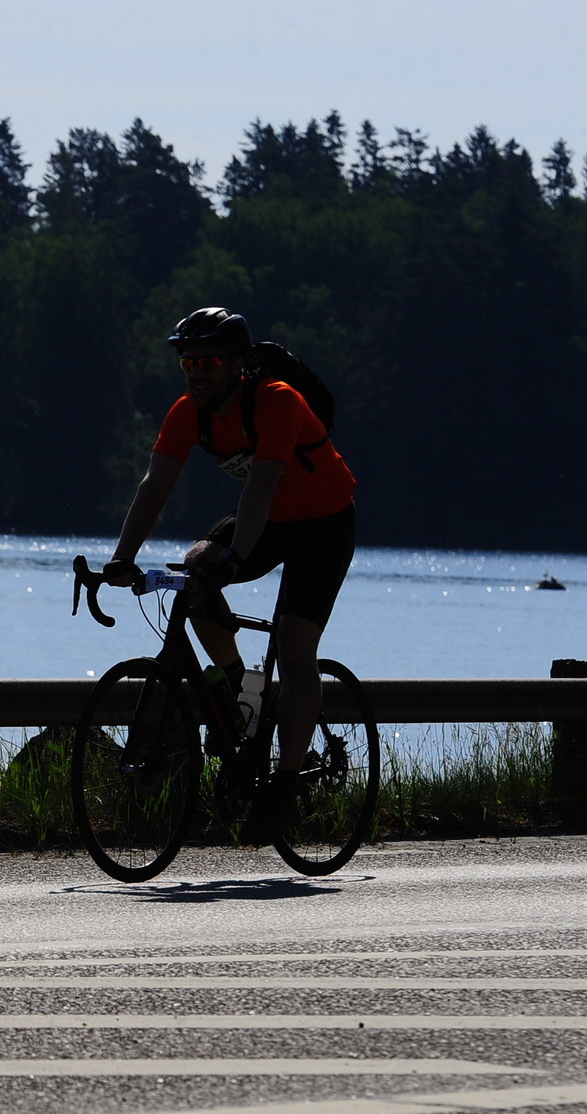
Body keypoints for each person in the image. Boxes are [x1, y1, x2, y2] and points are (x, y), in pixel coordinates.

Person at [103, 307, 358, 839]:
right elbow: (155, 485)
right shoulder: (188, 413)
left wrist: (237, 558)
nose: (196, 372)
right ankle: (243, 694)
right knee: (194, 570)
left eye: (209, 362)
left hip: (323, 524)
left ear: (238, 365)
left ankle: (283, 788)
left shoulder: (277, 400)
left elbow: (261, 486)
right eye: (188, 363)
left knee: (294, 644)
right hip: (269, 519)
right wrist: (121, 557)